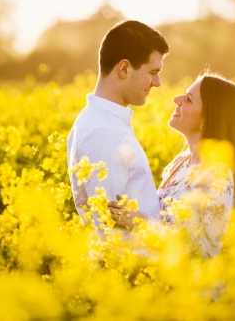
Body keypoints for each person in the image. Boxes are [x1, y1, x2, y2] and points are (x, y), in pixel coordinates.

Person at [109, 72, 235, 258]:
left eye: (189, 100)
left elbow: (200, 251)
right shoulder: (180, 163)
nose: (177, 99)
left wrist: (139, 223)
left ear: (208, 119)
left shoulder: (218, 175)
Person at [67, 20, 169, 231]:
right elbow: (112, 233)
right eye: (152, 72)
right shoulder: (104, 132)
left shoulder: (107, 122)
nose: (158, 82)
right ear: (124, 68)